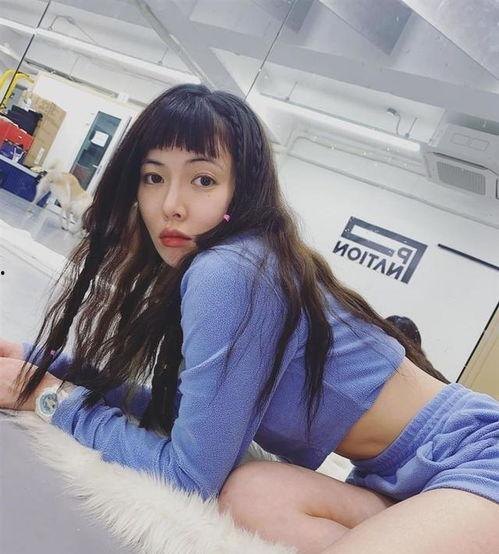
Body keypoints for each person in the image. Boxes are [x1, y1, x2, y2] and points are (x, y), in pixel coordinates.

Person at [1, 84, 498, 554]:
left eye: (203, 180)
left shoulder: (231, 270)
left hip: (479, 457)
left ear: (240, 192)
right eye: (154, 177)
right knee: (252, 495)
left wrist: (51, 399)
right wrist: (49, 366)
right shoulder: (234, 264)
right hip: (390, 480)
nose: (171, 205)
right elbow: (193, 423)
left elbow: (188, 476)